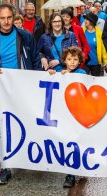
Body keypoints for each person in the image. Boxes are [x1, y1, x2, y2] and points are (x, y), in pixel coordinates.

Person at [0, 3, 42, 185]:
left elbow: (36, 59)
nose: (6, 22)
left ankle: (27, 158)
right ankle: (5, 167)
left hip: (23, 89)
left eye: (8, 18)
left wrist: (39, 82)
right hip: (0, 89)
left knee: (27, 124)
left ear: (13, 18)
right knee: (2, 128)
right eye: (2, 18)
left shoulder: (25, 36)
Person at [47, 46, 86, 188]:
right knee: (68, 142)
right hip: (64, 115)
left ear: (79, 61)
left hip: (78, 115)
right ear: (64, 60)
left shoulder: (82, 72)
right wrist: (52, 73)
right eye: (69, 59)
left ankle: (75, 169)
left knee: (78, 141)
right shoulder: (59, 72)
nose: (72, 62)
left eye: (75, 59)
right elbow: (50, 80)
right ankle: (70, 173)